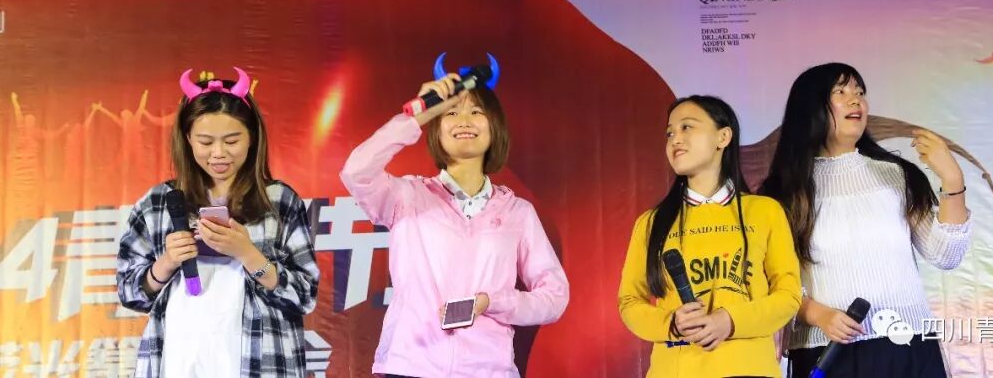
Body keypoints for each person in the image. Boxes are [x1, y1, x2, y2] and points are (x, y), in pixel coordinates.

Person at [341, 74, 569, 377]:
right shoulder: (407, 196)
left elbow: (554, 297)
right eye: (451, 112)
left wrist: (494, 302)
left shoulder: (518, 213)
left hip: (489, 370)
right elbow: (356, 171)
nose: (464, 120)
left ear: (495, 127)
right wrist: (417, 116)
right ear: (436, 128)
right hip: (412, 366)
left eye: (476, 111)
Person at [759, 62, 970, 377]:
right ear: (810, 107)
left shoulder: (896, 175)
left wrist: (953, 180)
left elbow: (946, 254)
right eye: (841, 92)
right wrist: (816, 314)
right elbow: (772, 283)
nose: (855, 100)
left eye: (860, 92)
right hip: (828, 351)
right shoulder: (782, 193)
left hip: (908, 344)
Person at [117, 68, 320, 377]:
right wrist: (168, 262)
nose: (219, 153)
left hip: (260, 362)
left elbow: (305, 296)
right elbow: (130, 293)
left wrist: (248, 254)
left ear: (252, 137)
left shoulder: (279, 201)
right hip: (179, 362)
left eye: (231, 140)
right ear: (188, 139)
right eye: (205, 142)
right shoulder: (159, 202)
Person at [618, 95, 801, 377]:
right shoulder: (651, 223)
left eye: (687, 127)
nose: (675, 139)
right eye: (669, 133)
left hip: (749, 367)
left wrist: (729, 321)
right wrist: (672, 323)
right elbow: (630, 301)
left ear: (723, 137)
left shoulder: (765, 211)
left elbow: (788, 295)